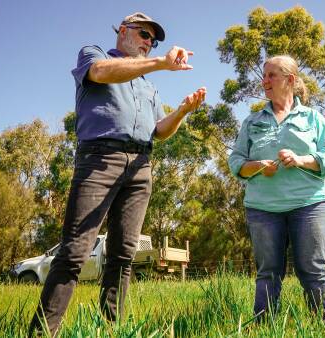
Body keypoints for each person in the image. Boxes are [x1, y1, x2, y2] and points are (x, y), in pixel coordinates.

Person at [29, 11, 206, 336]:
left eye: (153, 42)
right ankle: (42, 332)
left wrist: (182, 111)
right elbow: (100, 73)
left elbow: (159, 130)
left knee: (124, 254)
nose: (149, 44)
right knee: (75, 251)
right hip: (100, 159)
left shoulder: (148, 85)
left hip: (141, 166)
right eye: (144, 35)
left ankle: (113, 329)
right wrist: (161, 63)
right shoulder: (93, 54)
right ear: (123, 31)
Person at [228, 55, 325, 323]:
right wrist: (256, 165)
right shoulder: (252, 122)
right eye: (264, 76)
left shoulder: (313, 118)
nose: (264, 81)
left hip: (310, 205)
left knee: (313, 270)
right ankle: (265, 327)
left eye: (271, 75)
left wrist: (300, 160)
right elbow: (235, 162)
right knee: (268, 272)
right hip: (262, 209)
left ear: (289, 80)